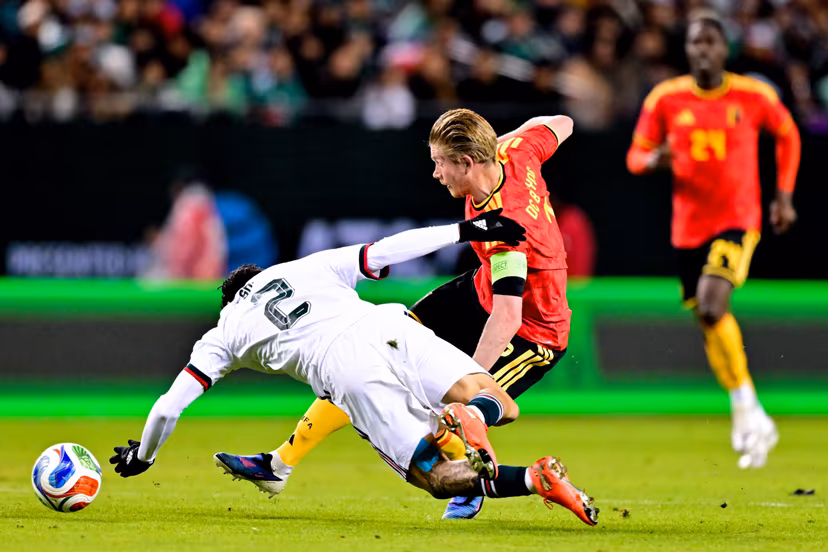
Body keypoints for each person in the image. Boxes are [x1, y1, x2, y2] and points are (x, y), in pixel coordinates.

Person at [109, 212, 598, 527]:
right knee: (494, 398)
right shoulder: (301, 268)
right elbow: (388, 249)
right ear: (261, 275)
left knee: (434, 474)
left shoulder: (223, 332)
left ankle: (531, 479)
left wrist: (143, 456)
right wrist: (467, 230)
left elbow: (168, 408)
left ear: (230, 300)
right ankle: (479, 423)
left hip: (347, 372)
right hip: (390, 325)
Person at [222, 108, 576, 520]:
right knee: (371, 352)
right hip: (480, 290)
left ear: (466, 163)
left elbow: (508, 317)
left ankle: (471, 484)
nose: (436, 173)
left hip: (534, 331)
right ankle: (279, 462)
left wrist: (464, 378)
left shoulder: (507, 231)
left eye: (440, 162)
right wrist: (495, 144)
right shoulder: (514, 151)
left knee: (459, 404)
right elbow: (562, 122)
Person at [626, 15, 801, 469]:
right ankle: (750, 409)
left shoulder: (753, 95)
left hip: (737, 220)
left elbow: (788, 134)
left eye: (710, 42)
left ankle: (746, 410)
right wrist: (655, 160)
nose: (702, 50)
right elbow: (635, 157)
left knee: (711, 304)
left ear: (724, 49)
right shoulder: (666, 98)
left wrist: (783, 195)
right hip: (688, 228)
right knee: (708, 321)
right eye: (695, 42)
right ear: (687, 50)